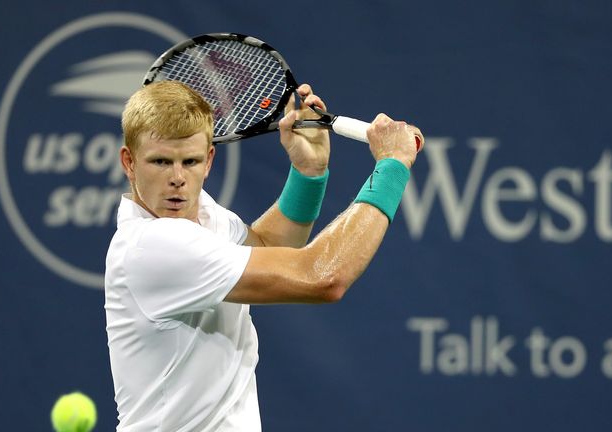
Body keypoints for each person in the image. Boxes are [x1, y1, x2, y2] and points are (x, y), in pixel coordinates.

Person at [105, 80, 423, 431]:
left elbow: (267, 250)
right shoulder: (153, 245)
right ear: (129, 162)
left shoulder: (203, 216)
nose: (178, 178)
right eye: (161, 162)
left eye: (190, 161)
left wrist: (308, 174)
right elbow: (323, 277)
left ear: (209, 160)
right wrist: (392, 166)